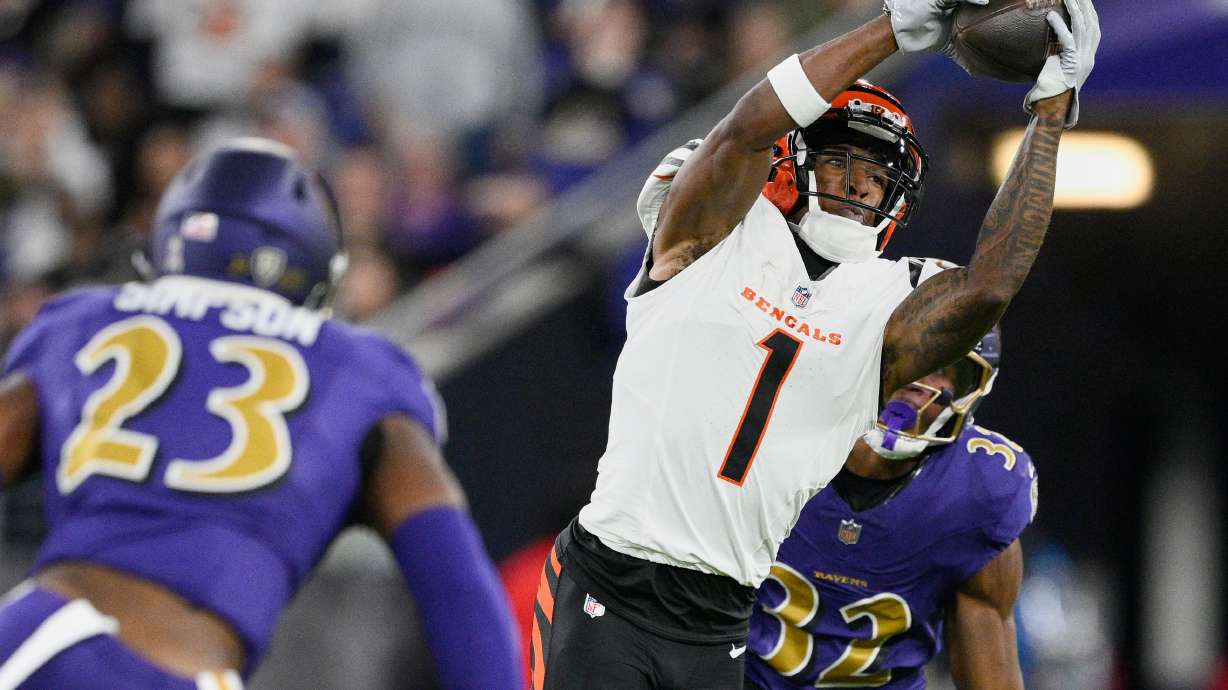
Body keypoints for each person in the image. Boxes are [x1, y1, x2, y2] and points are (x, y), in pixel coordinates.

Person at [530, 0, 1098, 687]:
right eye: (843, 162)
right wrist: (890, 28)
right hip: (612, 581)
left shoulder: (880, 302)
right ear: (792, 162)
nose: (861, 183)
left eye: (881, 174)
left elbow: (989, 287)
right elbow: (742, 133)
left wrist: (1049, 115)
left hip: (722, 615)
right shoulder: (717, 236)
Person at [0, 138, 522, 689]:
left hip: (42, 637)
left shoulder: (85, 320)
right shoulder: (361, 371)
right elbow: (455, 584)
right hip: (184, 668)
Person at [744, 326, 1037, 689]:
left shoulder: (978, 491)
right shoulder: (767, 438)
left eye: (942, 369)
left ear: (968, 390)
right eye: (908, 356)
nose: (917, 382)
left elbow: (992, 678)